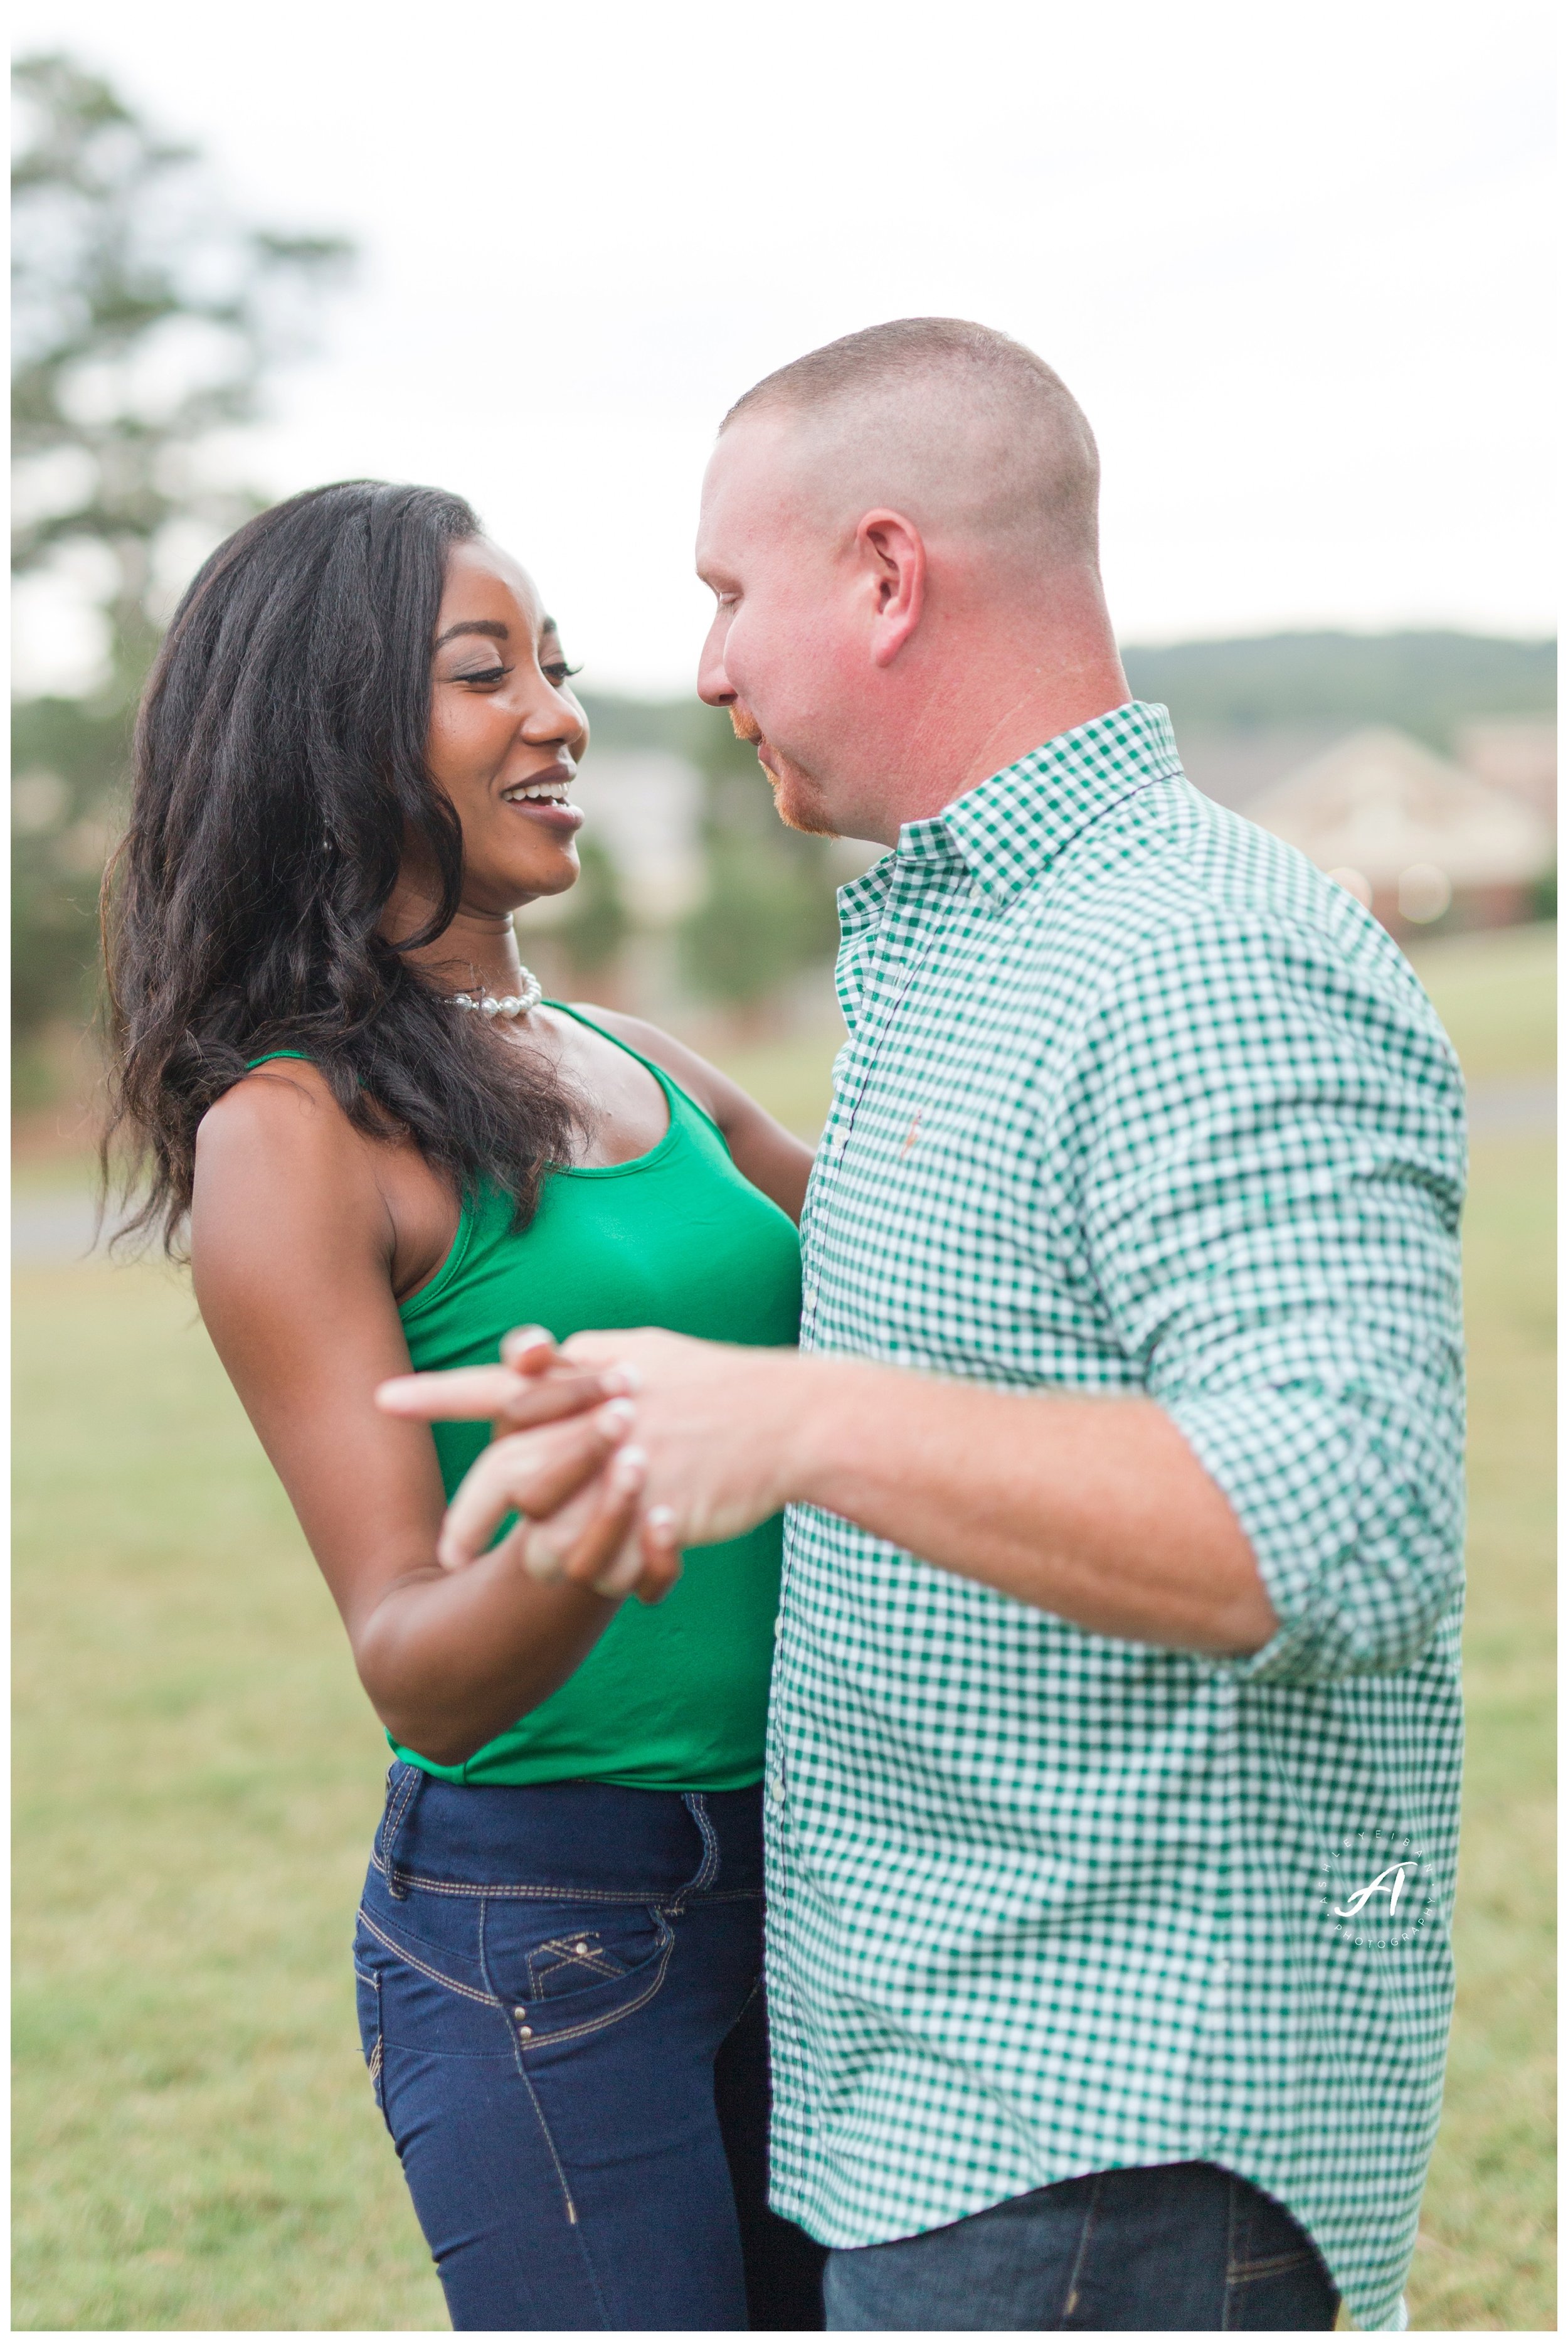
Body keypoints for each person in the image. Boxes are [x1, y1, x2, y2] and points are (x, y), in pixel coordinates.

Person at [382, 321, 1468, 2333]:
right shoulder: (975, 955)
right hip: (953, 2104)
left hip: (1112, 2127)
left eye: (727, 596)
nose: (697, 672)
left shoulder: (1192, 956)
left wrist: (790, 1423)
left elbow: (1347, 1519)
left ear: (886, 578)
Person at [101, 479, 827, 2331]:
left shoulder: (632, 1058)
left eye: (559, 668)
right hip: (552, 1937)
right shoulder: (294, 1136)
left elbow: (921, 1281)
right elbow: (414, 1658)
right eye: (483, 673)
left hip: (828, 1874)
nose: (560, 713)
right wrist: (604, 1508)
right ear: (334, 739)